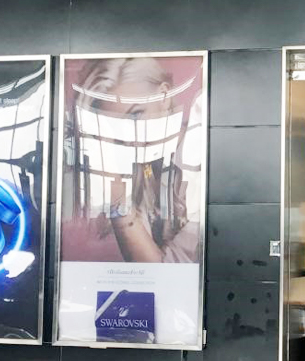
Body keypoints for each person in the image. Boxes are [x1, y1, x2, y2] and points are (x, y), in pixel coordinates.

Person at [64, 57, 202, 264]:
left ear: (164, 96)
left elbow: (160, 273)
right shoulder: (141, 169)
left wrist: (116, 197)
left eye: (136, 115)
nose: (131, 136)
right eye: (114, 127)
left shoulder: (200, 160)